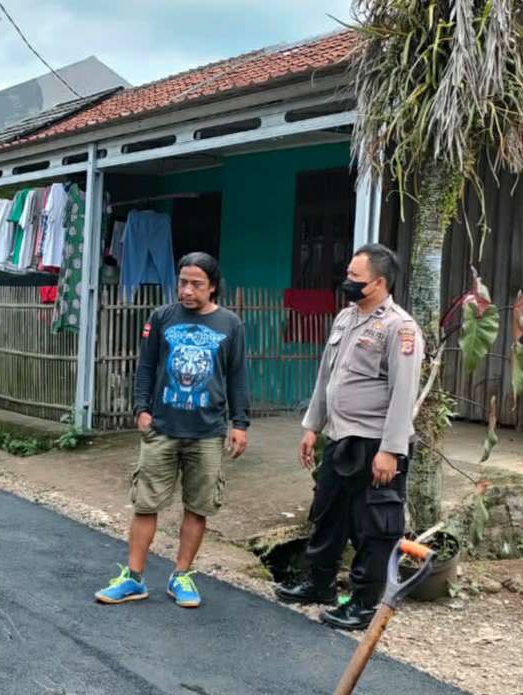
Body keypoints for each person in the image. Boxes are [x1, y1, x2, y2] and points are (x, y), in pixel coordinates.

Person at [276, 244, 424, 631]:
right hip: (340, 437)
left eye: (355, 278)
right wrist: (313, 426)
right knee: (327, 514)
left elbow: (403, 392)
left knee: (373, 526)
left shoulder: (399, 327)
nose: (348, 282)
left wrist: (391, 450)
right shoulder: (345, 318)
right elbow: (328, 377)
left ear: (378, 282)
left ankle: (362, 603)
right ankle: (318, 582)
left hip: (375, 443)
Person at [95, 252, 250, 610]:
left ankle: (181, 575)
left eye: (196, 283)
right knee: (145, 503)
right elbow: (146, 365)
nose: (187, 290)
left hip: (208, 431)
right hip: (162, 428)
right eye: (183, 282)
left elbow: (238, 375)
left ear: (212, 286)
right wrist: (142, 410)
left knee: (198, 507)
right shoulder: (161, 317)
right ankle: (133, 578)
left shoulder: (230, 325)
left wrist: (240, 424)